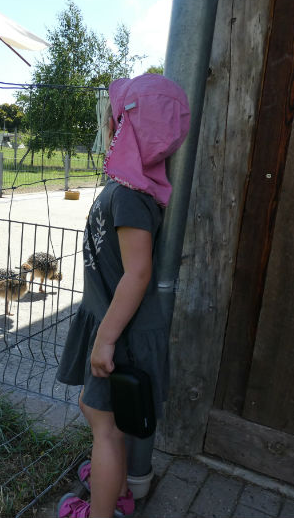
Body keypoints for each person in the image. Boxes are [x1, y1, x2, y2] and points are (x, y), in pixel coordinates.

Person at [56, 73, 190, 518]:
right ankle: (113, 487)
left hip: (121, 333)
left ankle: (104, 506)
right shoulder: (127, 189)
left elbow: (137, 274)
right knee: (100, 414)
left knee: (106, 429)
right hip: (111, 320)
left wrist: (106, 339)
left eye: (113, 118)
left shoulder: (132, 197)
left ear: (124, 128)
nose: (107, 125)